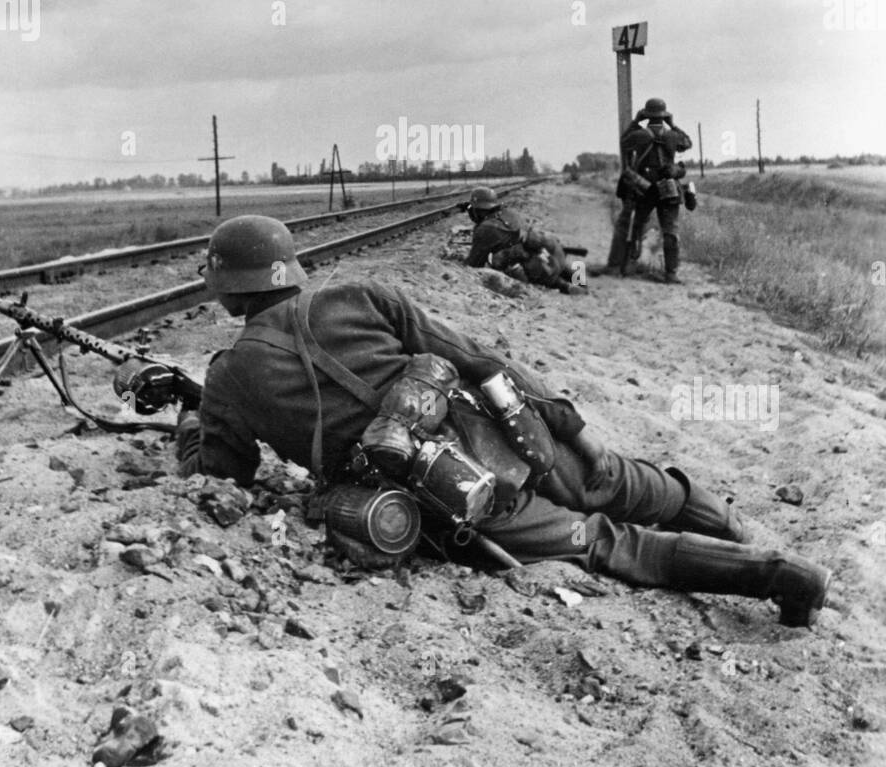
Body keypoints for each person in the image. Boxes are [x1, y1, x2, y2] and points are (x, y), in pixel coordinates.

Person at [175, 215, 831, 629]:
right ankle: (741, 533)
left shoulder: (231, 374)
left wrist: (189, 414)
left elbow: (222, 472)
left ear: (228, 287)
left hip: (446, 495)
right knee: (620, 483)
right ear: (288, 268)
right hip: (503, 429)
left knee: (603, 543)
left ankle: (773, 575)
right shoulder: (359, 294)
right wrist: (575, 434)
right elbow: (483, 362)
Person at [606, 97, 692, 283]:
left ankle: (629, 264)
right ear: (664, 116)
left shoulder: (639, 135)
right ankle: (671, 273)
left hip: (645, 187)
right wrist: (673, 124)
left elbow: (623, 142)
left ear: (647, 115)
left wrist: (636, 121)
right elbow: (688, 143)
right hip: (668, 186)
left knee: (637, 227)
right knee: (670, 230)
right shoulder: (672, 135)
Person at [463, 187, 586, 293]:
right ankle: (582, 282)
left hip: (538, 265)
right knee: (562, 268)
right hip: (550, 247)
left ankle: (570, 289)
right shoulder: (507, 213)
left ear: (478, 210)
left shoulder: (485, 228)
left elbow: (474, 263)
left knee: (504, 262)